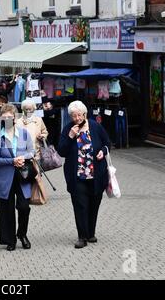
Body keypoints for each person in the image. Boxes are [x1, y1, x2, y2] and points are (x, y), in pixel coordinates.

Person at [57, 100, 111, 249]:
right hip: (78, 175)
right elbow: (61, 151)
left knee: (94, 204)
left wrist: (103, 151)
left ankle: (90, 233)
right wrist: (70, 136)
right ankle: (82, 237)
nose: (77, 119)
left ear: (84, 114)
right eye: (73, 116)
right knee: (80, 205)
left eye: (79, 115)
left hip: (96, 174)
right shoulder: (68, 129)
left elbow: (107, 143)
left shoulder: (95, 126)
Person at [0, 104, 35, 251]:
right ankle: (10, 239)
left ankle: (22, 234)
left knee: (24, 207)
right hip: (6, 176)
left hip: (23, 175)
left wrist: (23, 157)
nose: (8, 119)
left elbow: (32, 152)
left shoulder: (24, 133)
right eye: (4, 117)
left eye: (10, 117)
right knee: (7, 209)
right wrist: (12, 161)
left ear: (15, 117)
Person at [16, 99, 49, 203]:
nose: (28, 110)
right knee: (25, 173)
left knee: (36, 173)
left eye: (30, 108)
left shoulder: (38, 120)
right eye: (26, 109)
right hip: (22, 153)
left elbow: (45, 131)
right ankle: (25, 195)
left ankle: (35, 195)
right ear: (23, 110)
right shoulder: (18, 121)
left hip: (36, 152)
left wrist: (42, 136)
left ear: (34, 108)